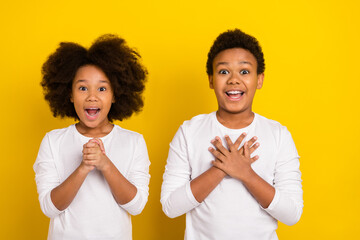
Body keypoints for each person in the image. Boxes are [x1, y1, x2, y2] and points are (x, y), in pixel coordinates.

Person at [161, 29, 303, 240]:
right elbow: (170, 207)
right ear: (211, 80)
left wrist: (245, 173)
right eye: (224, 72)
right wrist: (220, 169)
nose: (234, 80)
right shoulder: (189, 132)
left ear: (260, 79)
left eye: (244, 72)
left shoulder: (278, 135)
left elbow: (292, 214)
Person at [34, 34, 150, 240]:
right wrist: (83, 168)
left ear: (115, 95)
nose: (92, 96)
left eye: (102, 88)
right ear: (70, 94)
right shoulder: (53, 141)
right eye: (82, 88)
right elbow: (49, 208)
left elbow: (136, 205)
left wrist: (105, 165)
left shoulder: (133, 142)